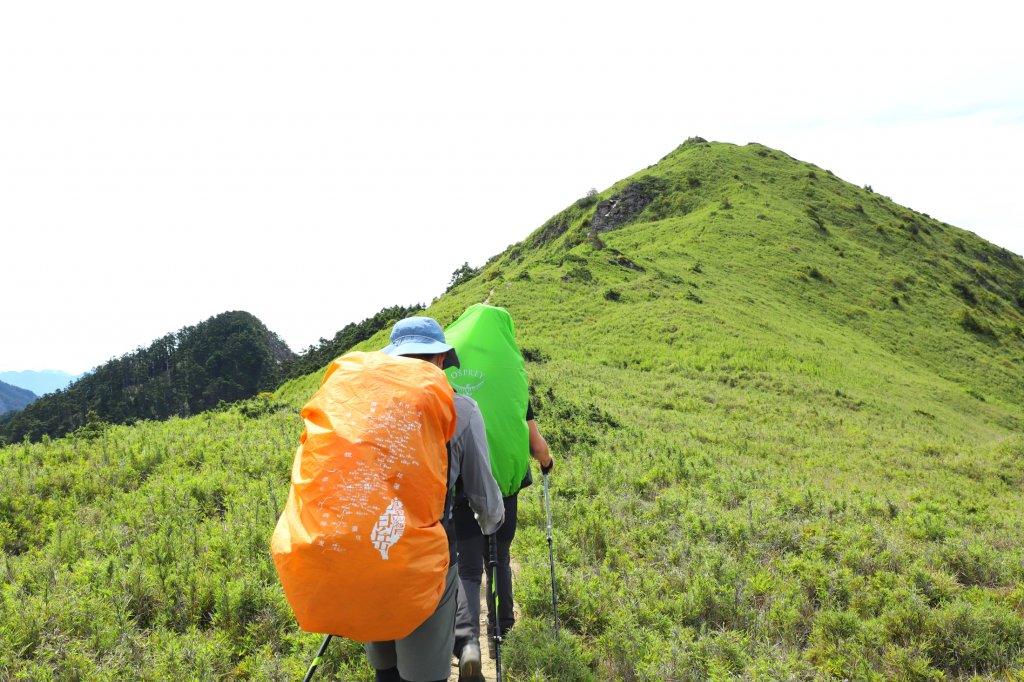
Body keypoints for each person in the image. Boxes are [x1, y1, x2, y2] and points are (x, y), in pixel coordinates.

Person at [364, 316, 505, 682]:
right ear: (440, 360)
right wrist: (492, 522)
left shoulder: (365, 410)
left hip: (369, 556)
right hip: (427, 561)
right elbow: (485, 501)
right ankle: (466, 642)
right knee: (424, 673)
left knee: (385, 669)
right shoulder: (461, 411)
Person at [443, 304, 554, 679]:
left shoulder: (448, 374)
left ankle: (468, 643)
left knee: (469, 566)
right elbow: (536, 445)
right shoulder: (514, 380)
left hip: (460, 487)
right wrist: (547, 461)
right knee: (500, 558)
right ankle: (502, 630)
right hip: (504, 486)